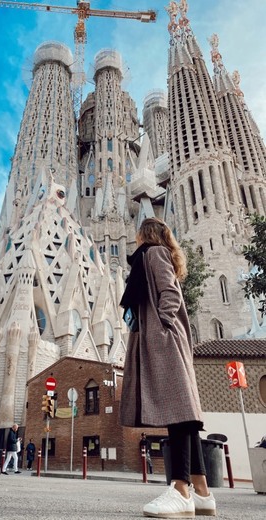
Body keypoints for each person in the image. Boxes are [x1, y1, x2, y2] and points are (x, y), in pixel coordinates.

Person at [120, 217, 216, 519]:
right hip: (165, 339)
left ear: (144, 235)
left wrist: (160, 328)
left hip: (164, 340)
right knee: (183, 415)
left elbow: (170, 295)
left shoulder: (154, 253)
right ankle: (202, 492)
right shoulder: (153, 256)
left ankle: (180, 488)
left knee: (178, 413)